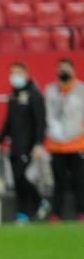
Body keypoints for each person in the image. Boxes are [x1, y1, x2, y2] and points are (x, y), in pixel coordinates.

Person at [0, 62, 47, 224]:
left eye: (17, 73)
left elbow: (40, 121)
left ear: (26, 73)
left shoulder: (34, 95)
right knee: (17, 180)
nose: (14, 76)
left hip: (28, 145)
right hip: (15, 146)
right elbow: (9, 121)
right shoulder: (14, 95)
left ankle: (36, 203)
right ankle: (24, 212)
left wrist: (38, 143)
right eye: (12, 73)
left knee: (21, 177)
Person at [44, 59, 84, 223]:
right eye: (61, 68)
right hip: (57, 144)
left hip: (77, 142)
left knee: (80, 181)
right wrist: (55, 132)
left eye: (66, 69)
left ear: (73, 71)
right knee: (58, 182)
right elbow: (49, 114)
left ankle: (81, 212)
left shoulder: (81, 90)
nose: (63, 72)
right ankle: (56, 214)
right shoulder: (51, 90)